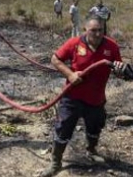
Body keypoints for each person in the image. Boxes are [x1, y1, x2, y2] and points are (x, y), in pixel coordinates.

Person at [40, 17, 127, 177]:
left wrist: (120, 70)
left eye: (101, 30)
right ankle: (56, 162)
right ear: (85, 29)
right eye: (93, 30)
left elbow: (117, 70)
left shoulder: (111, 46)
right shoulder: (74, 43)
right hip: (72, 97)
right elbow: (55, 59)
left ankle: (91, 151)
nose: (98, 33)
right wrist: (70, 74)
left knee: (95, 127)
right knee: (63, 128)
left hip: (96, 99)